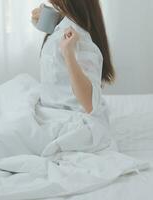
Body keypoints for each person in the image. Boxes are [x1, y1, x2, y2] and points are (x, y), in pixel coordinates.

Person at [31, 0, 116, 155]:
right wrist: (53, 20)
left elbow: (89, 103)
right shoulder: (66, 23)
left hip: (70, 120)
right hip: (53, 108)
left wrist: (68, 53)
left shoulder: (80, 41)